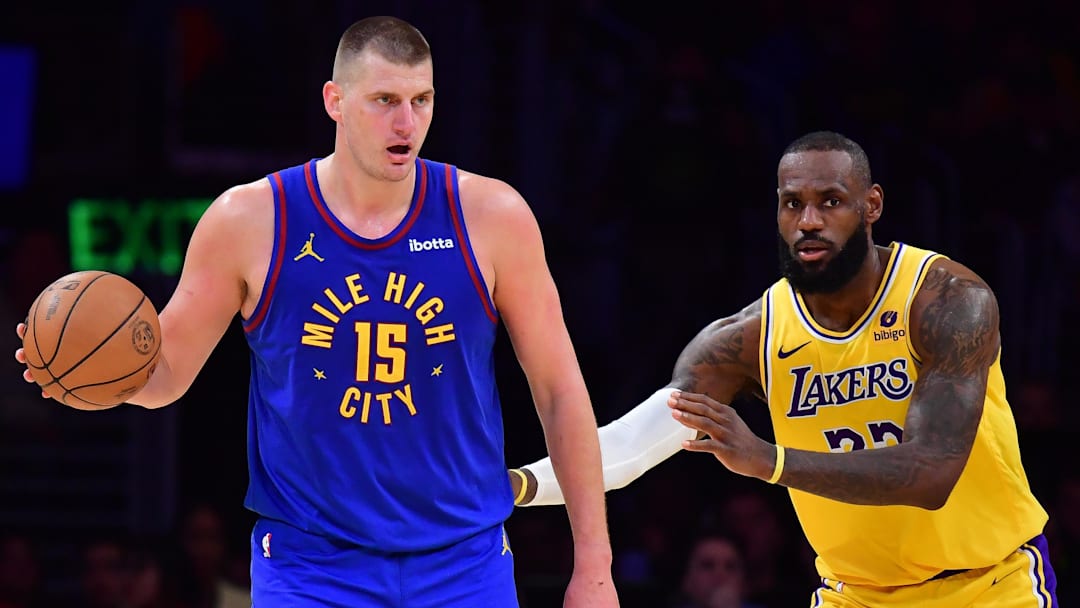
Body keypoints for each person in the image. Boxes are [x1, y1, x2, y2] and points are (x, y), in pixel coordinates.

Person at [15, 16, 618, 608]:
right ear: (335, 99)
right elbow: (164, 374)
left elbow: (559, 389)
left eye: (422, 99)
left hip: (464, 561)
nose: (406, 122)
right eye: (384, 99)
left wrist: (594, 565)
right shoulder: (248, 220)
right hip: (311, 569)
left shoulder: (493, 216)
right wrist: (89, 378)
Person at [510, 131, 1058, 606]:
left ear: (871, 205)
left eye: (831, 202)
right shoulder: (748, 337)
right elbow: (631, 444)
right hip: (854, 593)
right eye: (792, 204)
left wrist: (770, 461)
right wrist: (515, 485)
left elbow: (934, 472)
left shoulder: (946, 299)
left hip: (988, 585)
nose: (809, 222)